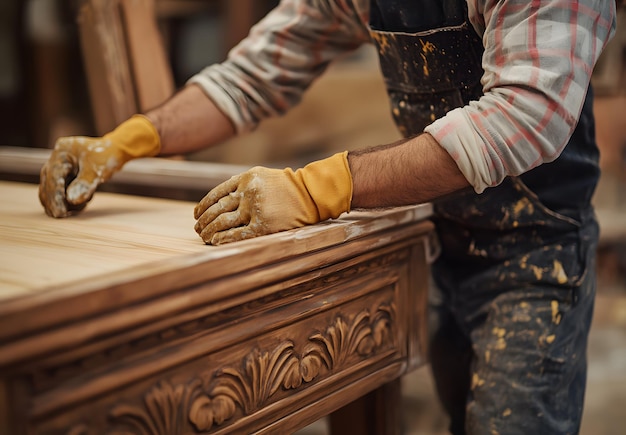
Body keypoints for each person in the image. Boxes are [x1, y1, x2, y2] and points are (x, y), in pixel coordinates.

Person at [39, 0, 617, 433]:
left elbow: (524, 116)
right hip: (444, 233)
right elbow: (252, 76)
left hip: (537, 255)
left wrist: (319, 187)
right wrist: (129, 140)